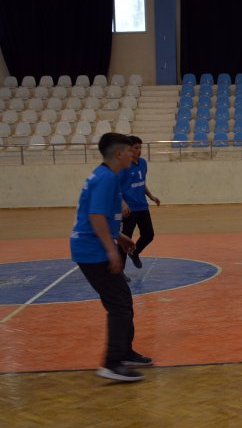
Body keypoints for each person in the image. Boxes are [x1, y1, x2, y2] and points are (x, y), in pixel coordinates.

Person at [70, 133, 153, 382]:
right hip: (91, 251)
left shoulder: (108, 175)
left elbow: (103, 216)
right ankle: (111, 363)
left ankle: (123, 353)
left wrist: (120, 237)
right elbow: (95, 217)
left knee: (122, 302)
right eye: (129, 151)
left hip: (94, 247)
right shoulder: (106, 178)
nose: (133, 155)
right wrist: (111, 250)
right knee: (119, 305)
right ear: (119, 154)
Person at [119, 135, 160, 271]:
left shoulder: (143, 163)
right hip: (129, 210)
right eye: (136, 148)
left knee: (149, 235)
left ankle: (135, 253)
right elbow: (115, 188)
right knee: (125, 240)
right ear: (129, 149)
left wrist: (151, 196)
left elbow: (141, 183)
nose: (139, 150)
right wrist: (123, 204)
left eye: (140, 147)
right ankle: (120, 272)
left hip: (142, 206)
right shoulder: (123, 166)